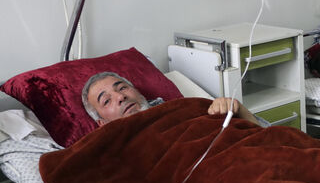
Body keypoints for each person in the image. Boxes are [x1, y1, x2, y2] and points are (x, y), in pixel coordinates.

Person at [81, 71, 266, 127]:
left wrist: (237, 109)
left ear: (137, 92)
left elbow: (265, 134)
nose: (121, 97)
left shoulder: (184, 108)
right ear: (102, 123)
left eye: (122, 88)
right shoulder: (111, 151)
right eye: (106, 101)